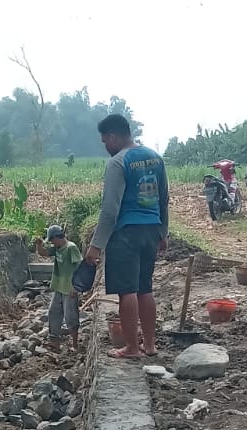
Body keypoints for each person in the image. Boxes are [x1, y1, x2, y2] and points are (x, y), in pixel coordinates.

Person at [86, 113, 169, 360]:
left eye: (105, 142)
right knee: (145, 289)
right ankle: (150, 345)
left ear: (113, 136)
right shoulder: (155, 157)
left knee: (127, 291)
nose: (105, 147)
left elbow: (110, 210)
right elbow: (163, 198)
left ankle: (132, 347)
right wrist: (163, 232)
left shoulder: (118, 163)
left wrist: (95, 245)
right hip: (151, 229)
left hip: (125, 233)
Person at [34, 225, 83, 350]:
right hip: (59, 287)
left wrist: (76, 287)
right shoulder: (57, 248)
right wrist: (39, 245)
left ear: (57, 237)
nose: (51, 243)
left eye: (51, 240)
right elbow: (43, 253)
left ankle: (75, 344)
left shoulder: (71, 248)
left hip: (69, 288)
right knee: (53, 312)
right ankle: (54, 341)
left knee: (70, 316)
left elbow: (79, 267)